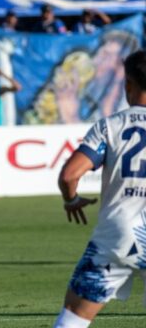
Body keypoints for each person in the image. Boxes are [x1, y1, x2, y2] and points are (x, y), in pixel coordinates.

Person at [51, 50, 146, 328]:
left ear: (128, 84)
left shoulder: (110, 126)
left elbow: (69, 175)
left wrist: (71, 200)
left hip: (116, 235)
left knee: (73, 317)